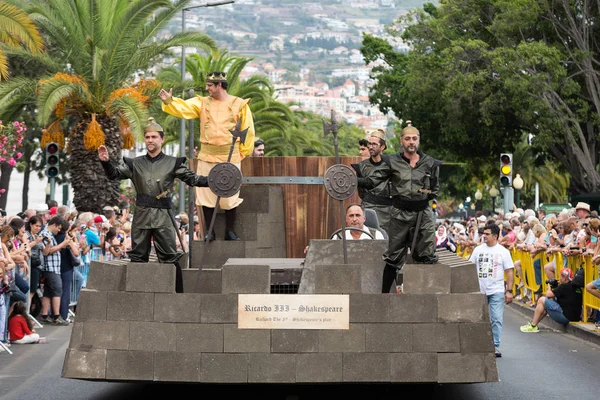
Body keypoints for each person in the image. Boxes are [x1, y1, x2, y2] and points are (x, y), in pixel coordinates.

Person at [98, 117, 210, 293]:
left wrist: (215, 181)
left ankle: (178, 297)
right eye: (147, 137)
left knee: (171, 257)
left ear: (162, 139)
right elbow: (114, 175)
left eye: (154, 137)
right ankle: (136, 298)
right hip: (141, 215)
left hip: (163, 216)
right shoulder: (135, 163)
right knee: (137, 257)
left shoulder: (173, 163)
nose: (150, 140)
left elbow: (194, 179)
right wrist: (105, 162)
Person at [159, 71, 255, 241]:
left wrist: (243, 151)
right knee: (205, 193)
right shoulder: (202, 103)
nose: (206, 88)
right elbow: (185, 108)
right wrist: (169, 101)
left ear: (219, 85)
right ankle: (209, 232)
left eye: (210, 85)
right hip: (207, 155)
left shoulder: (239, 104)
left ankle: (230, 231)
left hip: (230, 155)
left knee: (230, 193)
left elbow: (248, 130)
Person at [357, 121, 442, 293]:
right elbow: (373, 180)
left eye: (415, 139)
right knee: (393, 256)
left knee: (426, 254)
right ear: (402, 141)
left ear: (418, 141)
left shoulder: (430, 163)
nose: (411, 142)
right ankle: (384, 298)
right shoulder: (392, 162)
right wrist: (353, 180)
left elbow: (435, 188)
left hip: (422, 214)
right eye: (408, 139)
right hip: (399, 214)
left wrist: (424, 195)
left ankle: (427, 298)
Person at [469, 224, 514, 358]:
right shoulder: (478, 250)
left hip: (496, 290)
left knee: (496, 319)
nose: (484, 236)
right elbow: (470, 267)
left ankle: (494, 346)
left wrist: (509, 290)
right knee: (477, 319)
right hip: (479, 290)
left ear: (495, 236)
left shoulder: (503, 252)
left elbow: (509, 271)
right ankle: (478, 345)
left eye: (487, 234)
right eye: (484, 233)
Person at [351, 129, 391, 234]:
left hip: (388, 210)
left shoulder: (391, 164)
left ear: (382, 147)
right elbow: (361, 192)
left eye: (374, 144)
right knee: (368, 237)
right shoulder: (362, 166)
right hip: (368, 207)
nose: (370, 146)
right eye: (369, 143)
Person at [520, 268, 583, 333]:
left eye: (560, 276)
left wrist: (549, 288)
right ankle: (534, 324)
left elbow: (548, 295)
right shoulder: (577, 288)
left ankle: (533, 326)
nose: (559, 278)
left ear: (564, 278)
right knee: (544, 307)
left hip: (565, 317)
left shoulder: (564, 286)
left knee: (542, 300)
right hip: (575, 317)